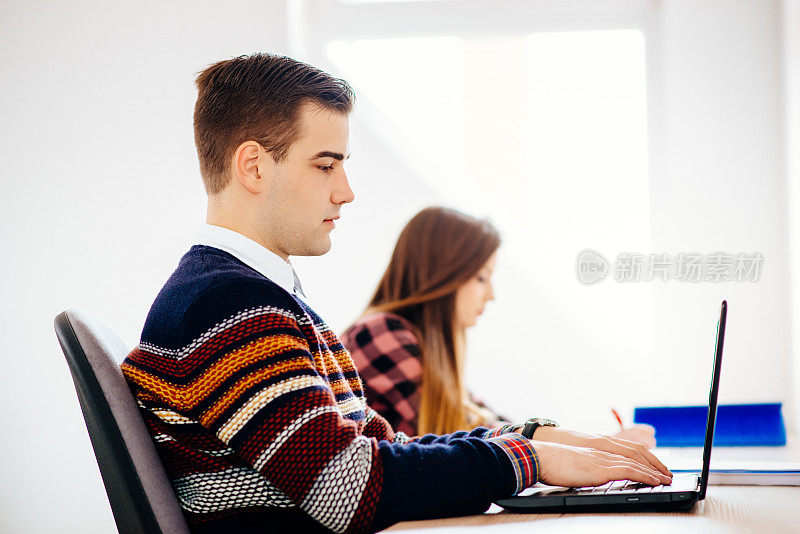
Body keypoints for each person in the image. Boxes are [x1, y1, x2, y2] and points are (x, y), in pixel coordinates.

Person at [121, 53, 671, 534]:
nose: (346, 190)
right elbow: (348, 489)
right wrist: (530, 459)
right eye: (325, 164)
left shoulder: (250, 298)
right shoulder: (226, 306)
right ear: (253, 166)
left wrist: (538, 444)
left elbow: (383, 451)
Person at [342, 207, 657, 447]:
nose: (491, 295)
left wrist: (595, 444)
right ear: (442, 277)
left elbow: (497, 425)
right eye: (481, 278)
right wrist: (599, 446)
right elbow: (477, 439)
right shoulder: (379, 334)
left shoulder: (416, 348)